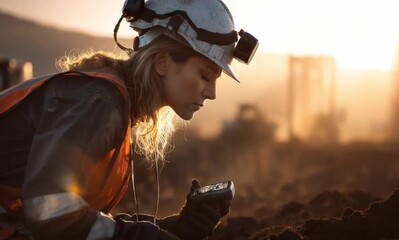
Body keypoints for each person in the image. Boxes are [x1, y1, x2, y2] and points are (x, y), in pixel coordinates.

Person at [0, 0, 258, 239]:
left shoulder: (108, 101)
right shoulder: (99, 102)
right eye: (205, 75)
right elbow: (50, 210)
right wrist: (145, 236)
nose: (212, 93)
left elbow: (69, 217)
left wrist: (170, 227)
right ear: (162, 62)